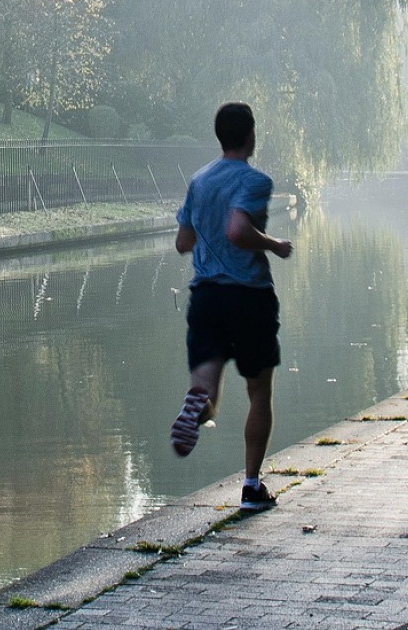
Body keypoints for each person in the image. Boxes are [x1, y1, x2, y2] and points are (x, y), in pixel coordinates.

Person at [170, 102, 293, 513]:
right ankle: (251, 487)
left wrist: (209, 237)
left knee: (204, 394)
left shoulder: (199, 180)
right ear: (250, 135)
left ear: (220, 135)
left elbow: (183, 242)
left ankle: (196, 406)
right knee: (259, 392)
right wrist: (274, 245)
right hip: (248, 297)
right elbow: (238, 229)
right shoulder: (255, 180)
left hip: (205, 297)